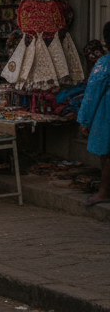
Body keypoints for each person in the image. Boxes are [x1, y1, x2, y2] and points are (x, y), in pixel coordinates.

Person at [78, 21, 110, 207]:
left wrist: (85, 121)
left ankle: (104, 192)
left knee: (108, 154)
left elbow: (92, 93)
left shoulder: (105, 63)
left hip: (106, 115)